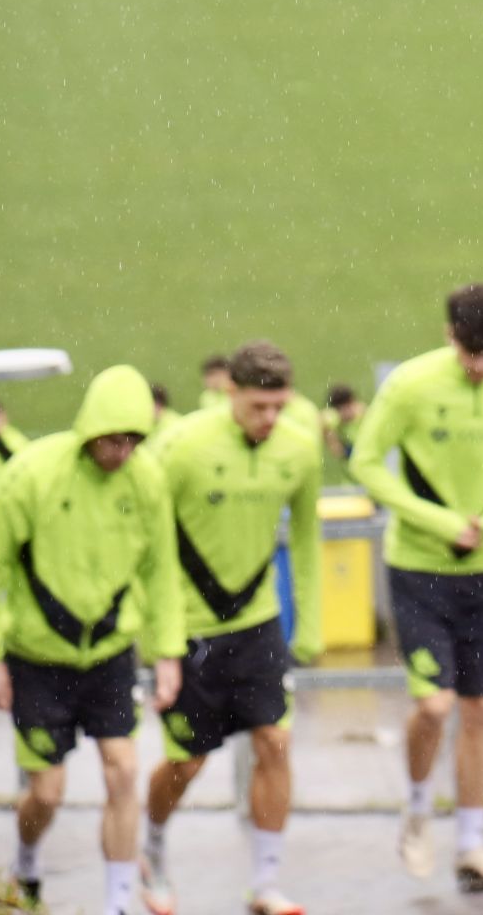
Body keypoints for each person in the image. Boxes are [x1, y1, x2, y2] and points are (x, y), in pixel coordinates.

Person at [349, 284, 483, 892]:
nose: (481, 366)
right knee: (434, 704)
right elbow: (365, 462)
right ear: (449, 336)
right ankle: (417, 806)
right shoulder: (411, 385)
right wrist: (439, 521)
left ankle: (472, 843)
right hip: (418, 568)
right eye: (471, 354)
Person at [0, 366, 185, 915]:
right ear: (91, 428)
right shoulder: (34, 474)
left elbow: (162, 569)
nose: (122, 452)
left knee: (123, 770)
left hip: (111, 655)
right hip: (37, 658)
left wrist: (169, 652)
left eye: (134, 441)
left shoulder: (147, 483)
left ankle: (117, 901)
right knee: (47, 792)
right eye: (113, 439)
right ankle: (26, 859)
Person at [139, 341, 321, 915]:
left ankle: (265, 882)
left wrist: (309, 626)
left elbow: (310, 539)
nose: (270, 420)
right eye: (258, 407)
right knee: (188, 762)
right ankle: (152, 846)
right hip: (189, 627)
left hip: (258, 621)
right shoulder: (182, 446)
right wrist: (160, 642)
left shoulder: (299, 449)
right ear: (230, 393)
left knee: (275, 741)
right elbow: (149, 546)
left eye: (279, 407)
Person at [321, 385, 365, 462]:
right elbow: (321, 421)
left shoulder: (362, 412)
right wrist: (333, 442)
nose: (347, 412)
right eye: (342, 409)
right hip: (351, 449)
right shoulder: (332, 418)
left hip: (364, 446)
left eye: (349, 407)